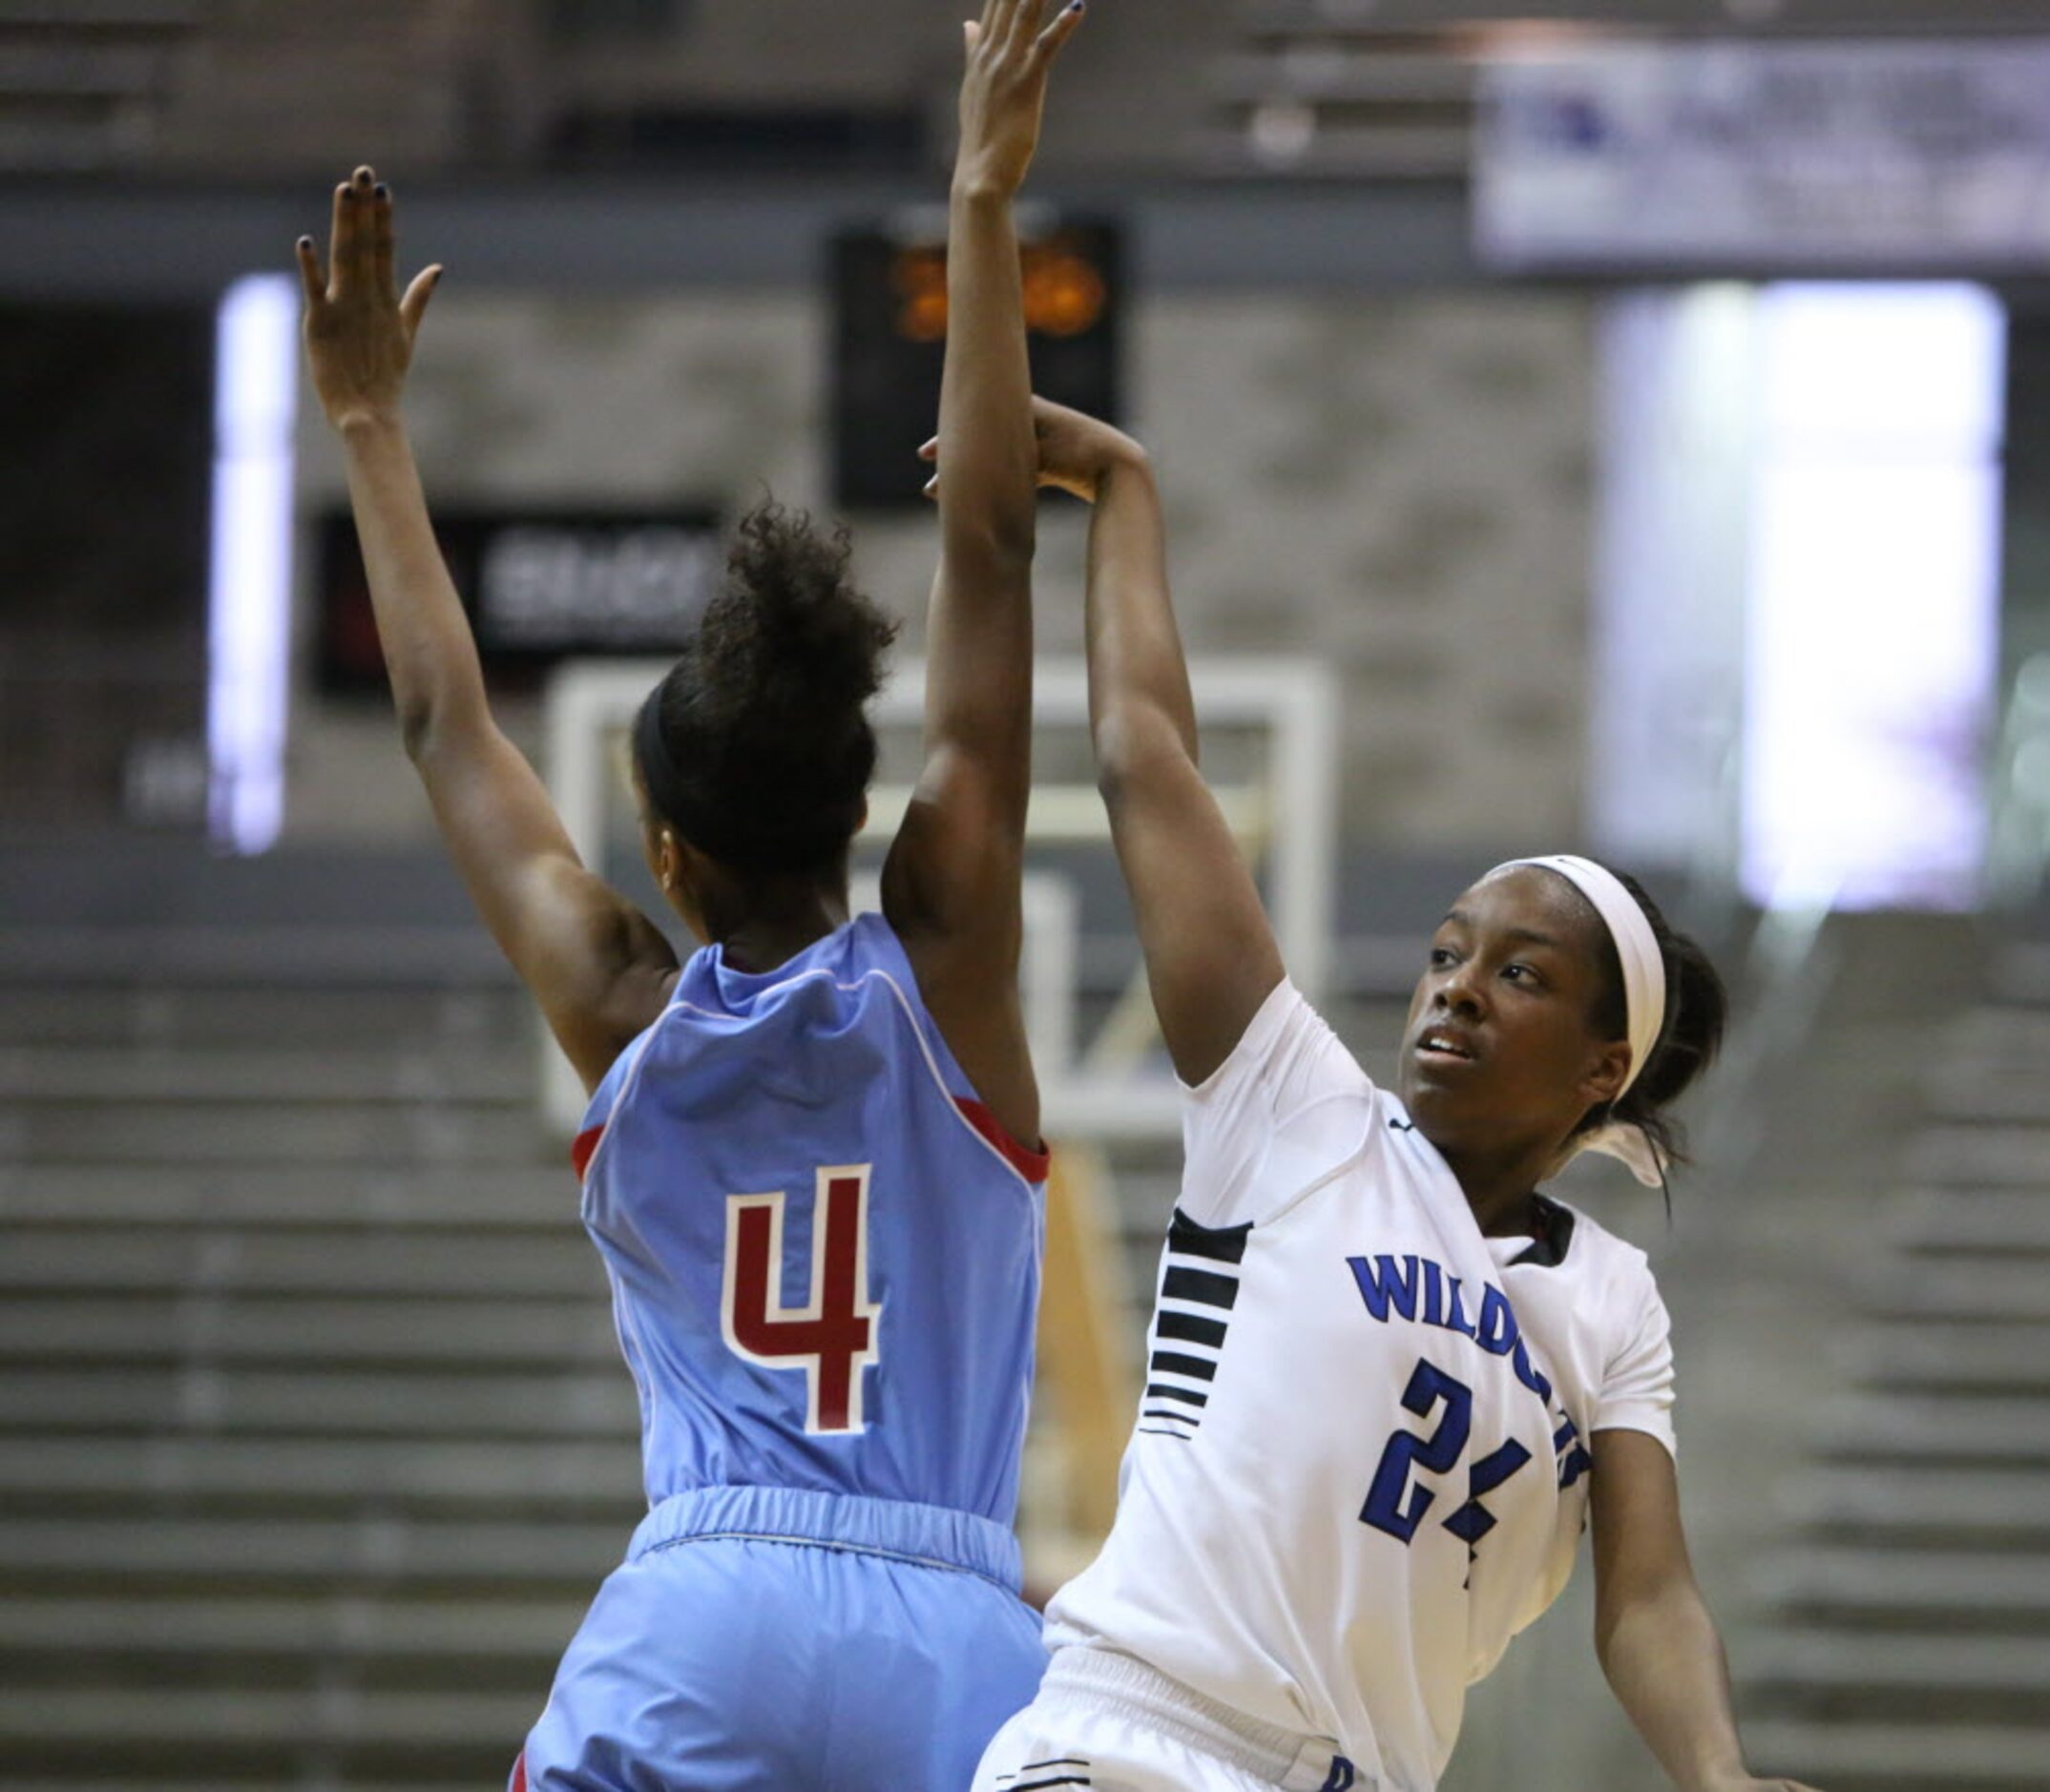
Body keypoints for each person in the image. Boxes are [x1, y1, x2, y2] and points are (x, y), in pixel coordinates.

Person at [295, 6, 1084, 1785]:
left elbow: (439, 720)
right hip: (960, 1642)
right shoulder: (947, 969)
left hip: (701, 1620)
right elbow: (988, 544)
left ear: (662, 854)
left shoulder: (616, 1004)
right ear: (860, 808)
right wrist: (976, 190)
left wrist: (364, 420)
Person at [965, 401, 1824, 1792]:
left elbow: (1648, 1596)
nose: (1456, 988)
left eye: (1519, 973)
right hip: (1132, 1738)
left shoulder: (1609, 1299)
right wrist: (1123, 489)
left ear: (1603, 1068)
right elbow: (1145, 759)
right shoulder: (1291, 1104)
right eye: (1443, 955)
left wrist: (1716, 1774)